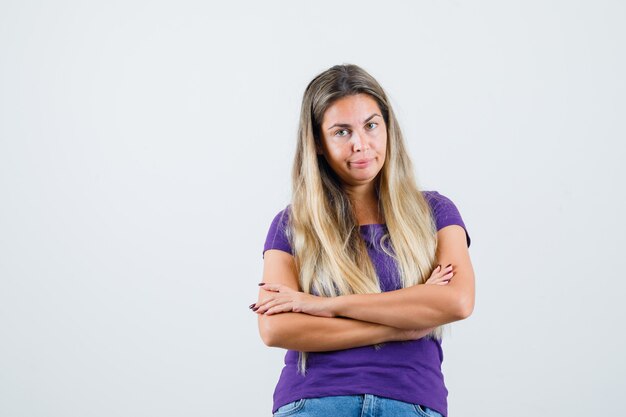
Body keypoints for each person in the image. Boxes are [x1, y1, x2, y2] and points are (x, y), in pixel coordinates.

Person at [251, 64, 475, 417]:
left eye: (371, 125)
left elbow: (457, 301)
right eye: (341, 132)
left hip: (411, 402)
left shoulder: (435, 212)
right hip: (315, 402)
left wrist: (325, 306)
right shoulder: (293, 224)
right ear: (319, 144)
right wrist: (403, 326)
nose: (361, 144)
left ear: (388, 128)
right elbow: (275, 327)